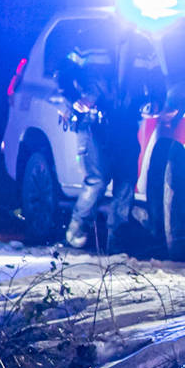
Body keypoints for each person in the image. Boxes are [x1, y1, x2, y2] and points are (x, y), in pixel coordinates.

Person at [59, 32, 156, 252]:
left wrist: (155, 101)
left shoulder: (144, 46)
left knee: (126, 180)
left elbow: (156, 81)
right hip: (95, 124)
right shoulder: (90, 41)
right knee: (98, 180)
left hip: (126, 123)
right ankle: (78, 228)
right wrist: (77, 100)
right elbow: (63, 74)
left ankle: (117, 239)